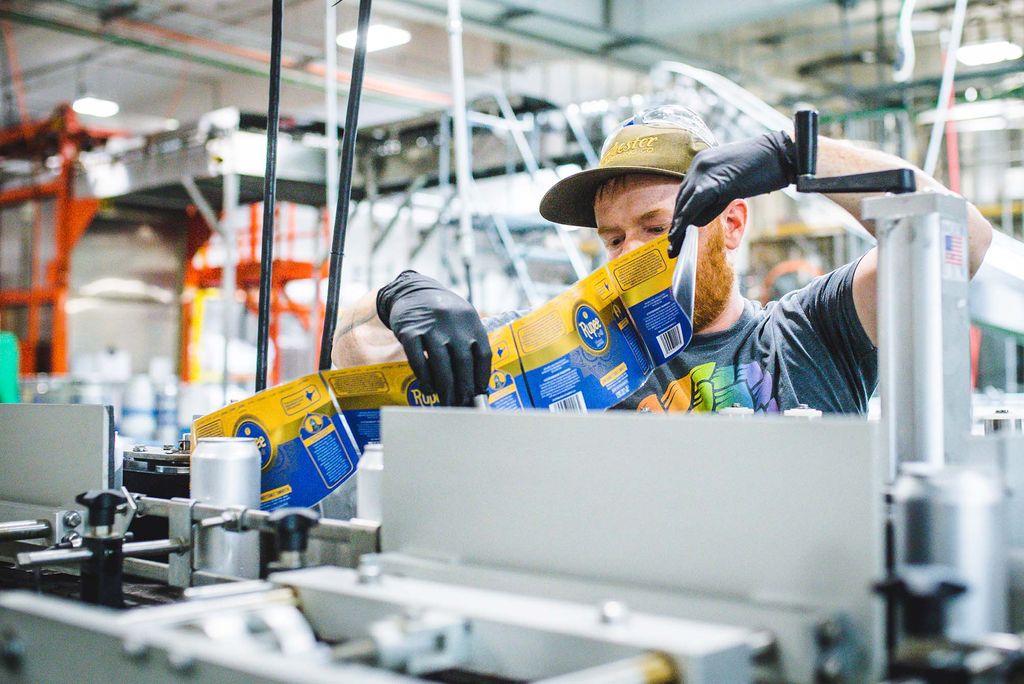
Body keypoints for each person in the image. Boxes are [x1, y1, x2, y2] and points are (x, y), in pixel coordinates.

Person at [332, 105, 992, 413]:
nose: (630, 255)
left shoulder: (813, 331)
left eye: (657, 227)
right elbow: (353, 350)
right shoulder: (567, 348)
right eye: (613, 238)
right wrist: (400, 296)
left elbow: (961, 242)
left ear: (731, 224)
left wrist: (800, 156)